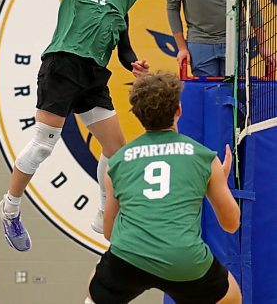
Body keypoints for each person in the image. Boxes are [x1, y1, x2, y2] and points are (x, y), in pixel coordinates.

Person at [0, 0, 149, 252]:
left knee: (117, 152)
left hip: (95, 76)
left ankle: (101, 213)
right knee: (41, 147)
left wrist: (134, 64)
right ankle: (10, 207)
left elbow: (123, 48)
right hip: (64, 64)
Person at [87, 71, 241, 304]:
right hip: (183, 260)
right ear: (178, 110)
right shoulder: (204, 158)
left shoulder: (118, 162)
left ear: (138, 115)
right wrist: (217, 182)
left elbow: (109, 233)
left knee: (93, 289)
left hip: (129, 257)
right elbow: (231, 224)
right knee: (231, 296)